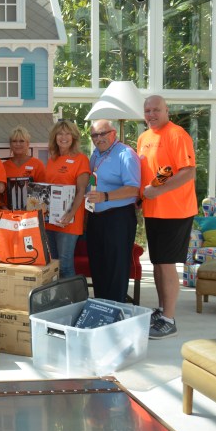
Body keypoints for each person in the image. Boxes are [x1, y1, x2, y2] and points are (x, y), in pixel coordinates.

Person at [137, 95, 197, 339]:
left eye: (156, 110)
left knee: (166, 264)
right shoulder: (144, 137)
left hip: (176, 211)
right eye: (147, 110)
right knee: (158, 263)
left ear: (166, 111)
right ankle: (162, 311)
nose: (151, 114)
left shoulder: (177, 134)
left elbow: (189, 172)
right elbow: (158, 172)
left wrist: (158, 190)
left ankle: (169, 320)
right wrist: (143, 197)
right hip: (154, 210)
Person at [84, 120, 140, 303]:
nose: (98, 138)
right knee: (98, 266)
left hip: (118, 217)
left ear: (113, 133)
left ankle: (115, 311)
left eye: (102, 133)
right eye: (94, 135)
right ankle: (101, 307)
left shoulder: (126, 154)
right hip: (95, 218)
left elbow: (134, 189)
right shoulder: (96, 155)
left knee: (116, 268)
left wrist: (105, 196)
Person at [43, 120, 89, 278]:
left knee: (65, 265)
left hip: (69, 221)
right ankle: (58, 301)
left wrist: (70, 214)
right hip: (50, 221)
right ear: (54, 137)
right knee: (53, 265)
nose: (64, 137)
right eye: (60, 133)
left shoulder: (81, 159)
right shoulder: (52, 160)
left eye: (68, 133)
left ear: (74, 137)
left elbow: (81, 190)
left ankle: (72, 301)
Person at [3, 125, 45, 209]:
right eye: (14, 141)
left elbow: (44, 192)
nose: (18, 144)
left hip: (31, 214)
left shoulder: (37, 164)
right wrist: (3, 207)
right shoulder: (3, 166)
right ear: (10, 144)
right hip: (7, 213)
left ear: (27, 144)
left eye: (21, 141)